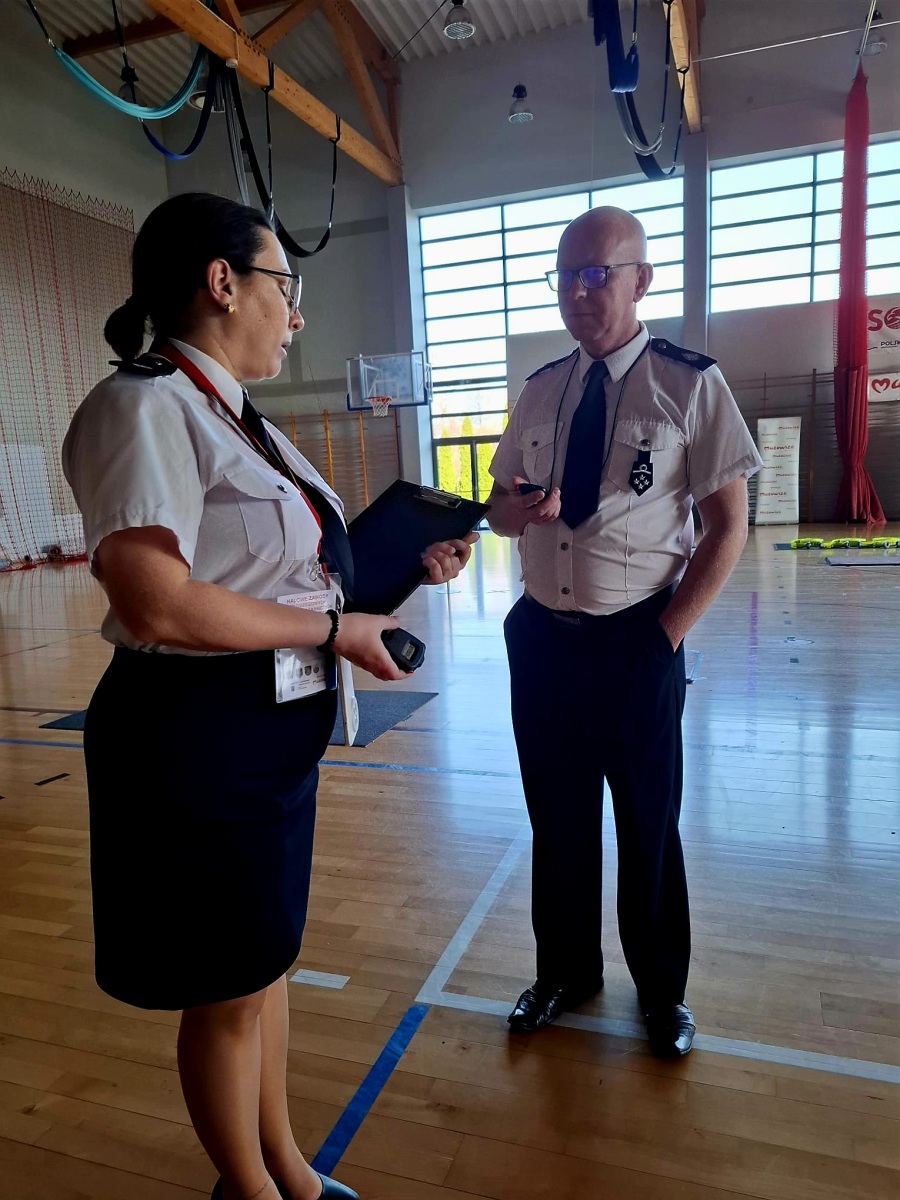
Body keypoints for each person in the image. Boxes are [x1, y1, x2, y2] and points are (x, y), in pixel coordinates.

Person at [62, 192, 476, 1200]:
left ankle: (287, 1165)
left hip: (268, 733)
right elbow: (156, 602)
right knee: (225, 988)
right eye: (285, 288)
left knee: (263, 964)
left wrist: (393, 577)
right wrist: (334, 632)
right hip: (196, 737)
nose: (295, 317)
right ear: (222, 282)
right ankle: (245, 1191)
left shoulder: (241, 422)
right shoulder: (143, 407)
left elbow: (285, 581)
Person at [487, 206, 762, 1056]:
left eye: (596, 273)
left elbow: (729, 527)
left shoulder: (689, 385)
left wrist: (666, 635)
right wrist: (515, 510)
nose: (579, 291)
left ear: (641, 279)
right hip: (543, 642)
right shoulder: (540, 389)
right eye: (565, 275)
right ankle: (566, 972)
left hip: (637, 641)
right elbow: (497, 507)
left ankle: (661, 993)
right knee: (558, 820)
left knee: (648, 825)